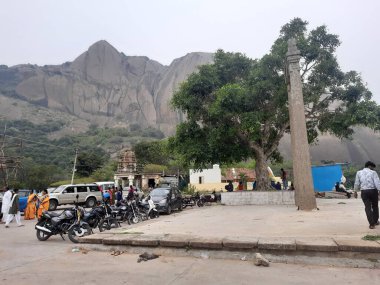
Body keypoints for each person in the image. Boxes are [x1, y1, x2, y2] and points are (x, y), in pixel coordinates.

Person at [354, 161, 380, 229]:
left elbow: (357, 183)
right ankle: (375, 221)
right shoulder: (373, 173)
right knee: (375, 206)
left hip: (364, 192)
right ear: (369, 166)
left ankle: (371, 224)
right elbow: (377, 182)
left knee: (367, 207)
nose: (373, 169)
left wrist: (355, 191)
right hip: (373, 191)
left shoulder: (358, 172)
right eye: (372, 167)